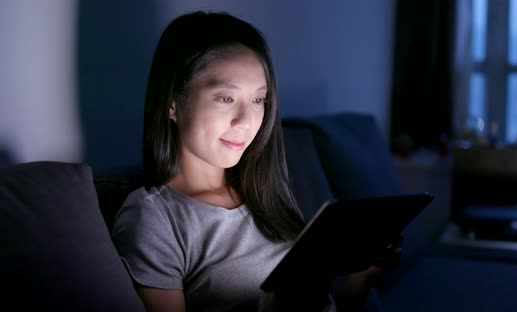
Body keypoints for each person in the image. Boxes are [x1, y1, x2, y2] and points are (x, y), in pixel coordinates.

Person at [111, 11, 400, 312]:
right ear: (172, 103)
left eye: (258, 100)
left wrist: (363, 278)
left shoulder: (267, 191)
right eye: (225, 98)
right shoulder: (154, 217)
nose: (246, 121)